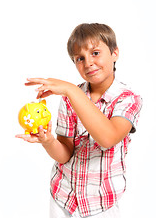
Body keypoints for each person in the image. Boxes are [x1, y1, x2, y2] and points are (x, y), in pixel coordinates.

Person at [16, 23, 142, 218]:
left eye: (95, 53)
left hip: (101, 204)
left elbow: (108, 138)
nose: (88, 62)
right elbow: (65, 154)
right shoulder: (69, 98)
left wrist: (71, 90)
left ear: (115, 53)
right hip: (63, 197)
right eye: (79, 58)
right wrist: (48, 141)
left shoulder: (128, 98)